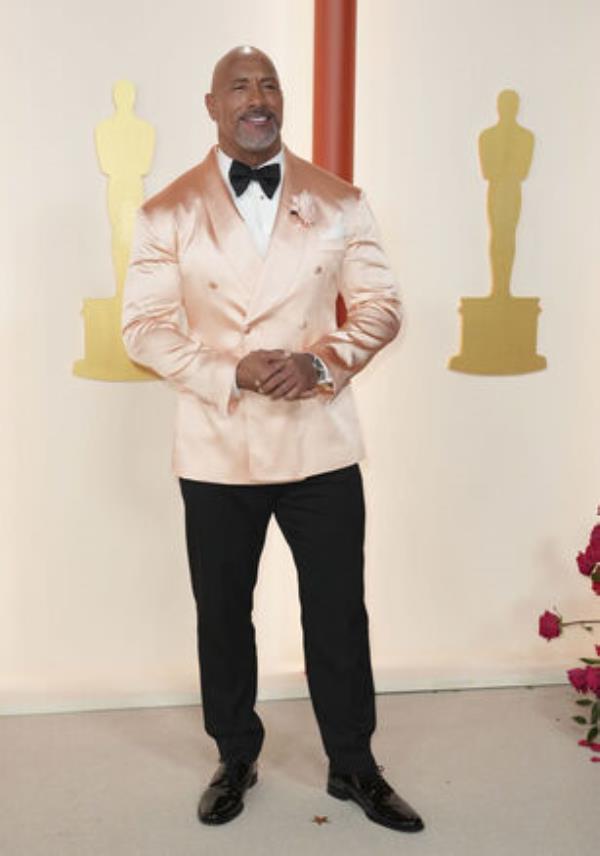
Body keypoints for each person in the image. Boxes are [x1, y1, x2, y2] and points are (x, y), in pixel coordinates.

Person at [122, 45, 424, 834]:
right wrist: (234, 371)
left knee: (337, 612)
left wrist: (321, 361)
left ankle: (354, 765)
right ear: (212, 105)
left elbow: (382, 307)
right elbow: (144, 330)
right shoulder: (166, 212)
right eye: (240, 88)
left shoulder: (340, 200)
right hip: (217, 445)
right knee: (222, 613)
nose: (258, 99)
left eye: (269, 86)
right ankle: (235, 754)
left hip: (319, 443)